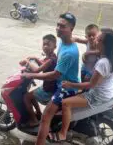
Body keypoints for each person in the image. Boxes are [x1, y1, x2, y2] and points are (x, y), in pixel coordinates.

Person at [21, 12, 79, 145]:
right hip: (62, 82)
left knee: (45, 118)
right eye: (58, 25)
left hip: (66, 87)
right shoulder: (65, 41)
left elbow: (54, 75)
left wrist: (30, 75)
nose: (58, 28)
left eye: (63, 26)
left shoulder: (68, 53)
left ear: (71, 29)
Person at [54, 28, 113, 141]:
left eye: (98, 40)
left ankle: (62, 133)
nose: (95, 41)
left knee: (65, 103)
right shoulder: (111, 57)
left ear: (104, 44)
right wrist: (88, 52)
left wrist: (70, 84)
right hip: (107, 92)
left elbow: (91, 85)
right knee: (78, 91)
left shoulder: (103, 63)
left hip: (97, 96)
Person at [19, 34, 57, 127]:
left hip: (48, 90)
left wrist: (27, 62)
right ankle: (38, 113)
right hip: (50, 87)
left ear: (54, 46)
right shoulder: (52, 57)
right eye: (44, 44)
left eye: (48, 44)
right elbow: (43, 66)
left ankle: (34, 120)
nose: (45, 47)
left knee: (26, 97)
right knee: (31, 94)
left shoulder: (51, 60)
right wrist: (35, 58)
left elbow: (37, 70)